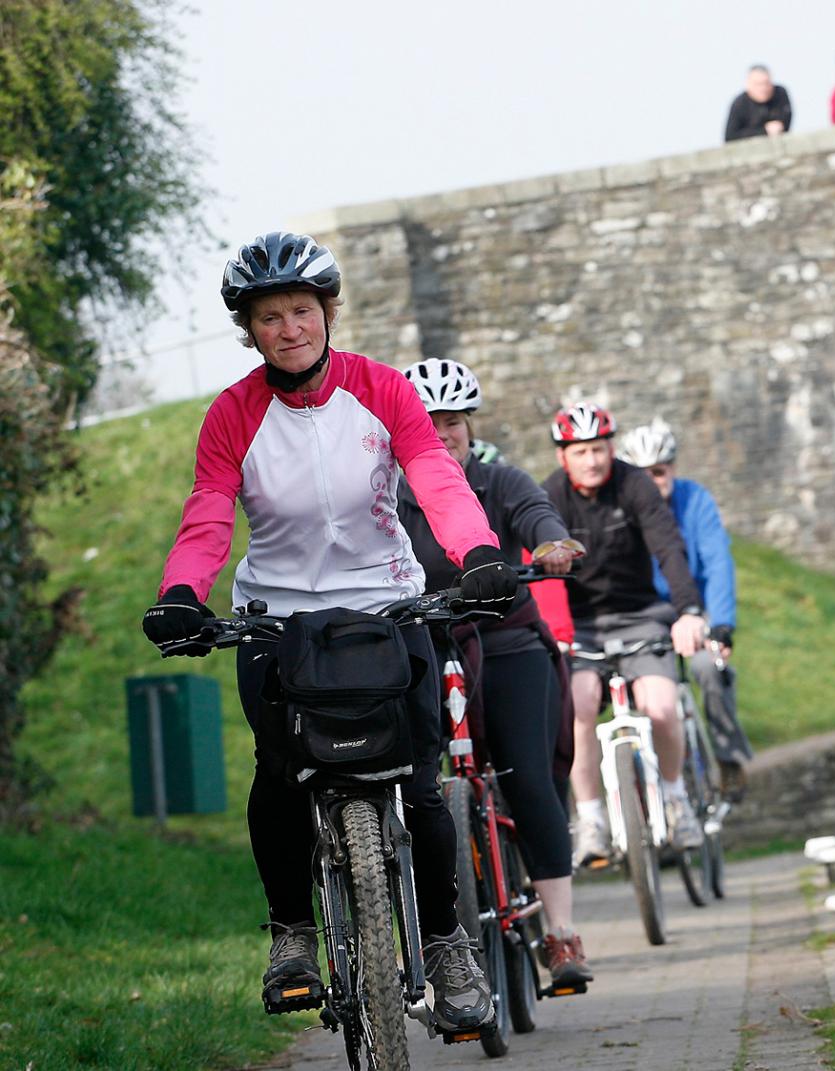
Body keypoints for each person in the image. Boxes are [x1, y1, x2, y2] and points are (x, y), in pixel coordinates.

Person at [140, 232, 511, 1030]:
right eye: (268, 316)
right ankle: (293, 934)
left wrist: (476, 550)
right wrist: (180, 590)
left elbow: (436, 474)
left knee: (421, 782)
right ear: (249, 329)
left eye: (301, 310)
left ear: (327, 312)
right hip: (278, 619)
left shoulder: (380, 388)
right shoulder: (232, 414)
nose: (288, 328)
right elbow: (209, 511)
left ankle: (448, 945)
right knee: (278, 773)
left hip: (386, 606)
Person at [395, 357, 594, 989]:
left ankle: (561, 934)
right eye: (430, 421)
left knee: (529, 778)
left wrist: (550, 545)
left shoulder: (499, 482)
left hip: (506, 642)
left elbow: (537, 516)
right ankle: (424, 937)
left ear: (469, 425)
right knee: (410, 785)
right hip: (423, 644)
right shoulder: (387, 497)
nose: (444, 432)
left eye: (453, 421)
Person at [541, 403, 709, 867]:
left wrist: (688, 611)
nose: (592, 460)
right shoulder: (549, 495)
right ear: (563, 457)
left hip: (640, 616)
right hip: (581, 626)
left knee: (661, 705)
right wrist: (553, 632)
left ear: (611, 448)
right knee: (577, 708)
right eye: (580, 452)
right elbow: (537, 566)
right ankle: (592, 818)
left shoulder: (635, 484)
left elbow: (668, 546)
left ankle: (675, 799)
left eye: (599, 449)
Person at [622, 418, 754, 797]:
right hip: (644, 616)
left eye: (659, 473)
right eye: (643, 474)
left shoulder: (695, 500)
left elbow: (717, 563)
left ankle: (728, 757)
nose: (653, 482)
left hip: (692, 609)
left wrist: (722, 624)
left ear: (673, 469)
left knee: (710, 669)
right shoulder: (622, 511)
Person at [725, 64, 793, 142]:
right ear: (748, 84)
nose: (763, 88)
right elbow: (730, 137)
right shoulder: (739, 104)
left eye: (766, 83)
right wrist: (764, 131)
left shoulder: (780, 94)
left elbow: (785, 123)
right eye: (758, 84)